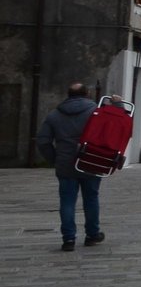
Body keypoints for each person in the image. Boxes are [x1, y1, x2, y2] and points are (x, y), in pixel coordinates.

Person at [37, 82, 102, 251]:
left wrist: (55, 159)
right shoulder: (96, 112)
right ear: (87, 93)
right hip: (90, 161)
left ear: (68, 95)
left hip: (65, 163)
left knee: (67, 201)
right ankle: (92, 234)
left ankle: (68, 239)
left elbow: (43, 141)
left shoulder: (54, 115)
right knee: (91, 199)